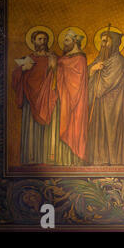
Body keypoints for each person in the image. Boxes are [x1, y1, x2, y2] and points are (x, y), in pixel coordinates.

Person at [12, 29, 58, 165]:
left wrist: (54, 66)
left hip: (47, 97)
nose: (42, 42)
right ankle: (31, 159)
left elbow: (59, 75)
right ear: (33, 41)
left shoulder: (52, 57)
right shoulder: (28, 59)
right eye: (39, 39)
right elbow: (15, 77)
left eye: (45, 39)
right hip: (30, 99)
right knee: (31, 128)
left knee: (48, 128)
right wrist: (23, 69)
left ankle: (47, 159)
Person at [87, 29, 124, 165]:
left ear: (115, 43)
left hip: (113, 104)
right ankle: (100, 160)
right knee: (99, 131)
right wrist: (92, 70)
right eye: (101, 41)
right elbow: (88, 73)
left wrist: (96, 85)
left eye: (106, 41)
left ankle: (114, 161)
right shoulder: (101, 59)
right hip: (100, 104)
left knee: (111, 131)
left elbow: (106, 83)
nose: (103, 45)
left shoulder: (118, 61)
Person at [55, 29, 88, 165]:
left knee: (75, 126)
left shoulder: (80, 58)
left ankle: (76, 159)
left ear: (75, 42)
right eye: (64, 40)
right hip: (65, 97)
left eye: (67, 40)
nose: (64, 43)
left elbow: (77, 81)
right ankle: (65, 160)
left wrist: (60, 63)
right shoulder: (66, 58)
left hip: (77, 99)